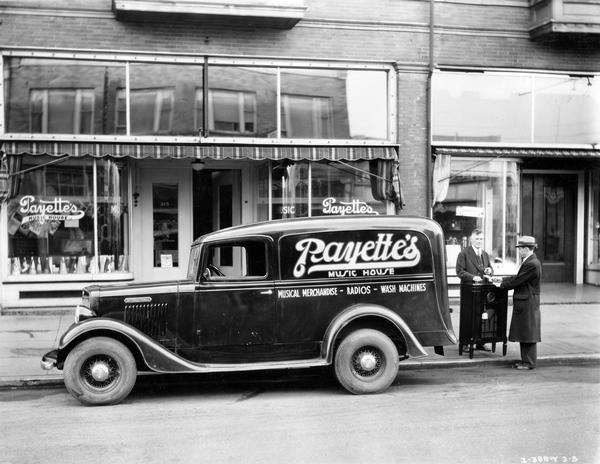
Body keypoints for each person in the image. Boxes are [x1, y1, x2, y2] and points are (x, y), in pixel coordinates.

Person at [493, 235, 542, 370]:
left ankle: (529, 362)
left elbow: (518, 281)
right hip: (526, 302)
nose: (519, 251)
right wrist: (500, 280)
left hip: (528, 303)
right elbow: (518, 277)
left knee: (529, 333)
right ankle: (525, 361)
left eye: (520, 249)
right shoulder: (530, 261)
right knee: (525, 332)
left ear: (526, 249)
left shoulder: (532, 263)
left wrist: (500, 285)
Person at [456, 228, 494, 352]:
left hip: (482, 291)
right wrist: (473, 278)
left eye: (481, 239)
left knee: (482, 316)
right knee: (468, 317)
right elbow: (460, 272)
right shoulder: (464, 253)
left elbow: (490, 268)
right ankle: (466, 343)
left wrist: (489, 270)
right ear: (472, 239)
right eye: (477, 238)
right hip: (469, 291)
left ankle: (480, 342)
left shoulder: (485, 254)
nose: (479, 241)